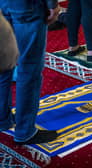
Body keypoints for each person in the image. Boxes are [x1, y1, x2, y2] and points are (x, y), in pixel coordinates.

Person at [0, 0, 60, 145]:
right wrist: (52, 5)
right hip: (27, 5)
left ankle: (3, 119)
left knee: (3, 64)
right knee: (29, 68)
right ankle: (25, 131)